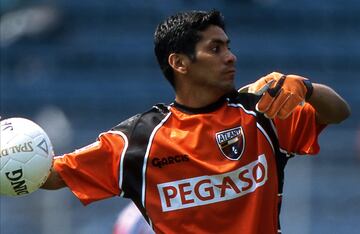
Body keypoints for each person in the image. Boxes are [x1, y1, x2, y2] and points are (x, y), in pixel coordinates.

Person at [41, 10, 351, 233]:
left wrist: (306, 88)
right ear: (179, 63)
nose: (231, 57)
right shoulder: (140, 140)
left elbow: (338, 113)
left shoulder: (261, 113)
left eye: (228, 47)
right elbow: (54, 175)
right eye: (215, 49)